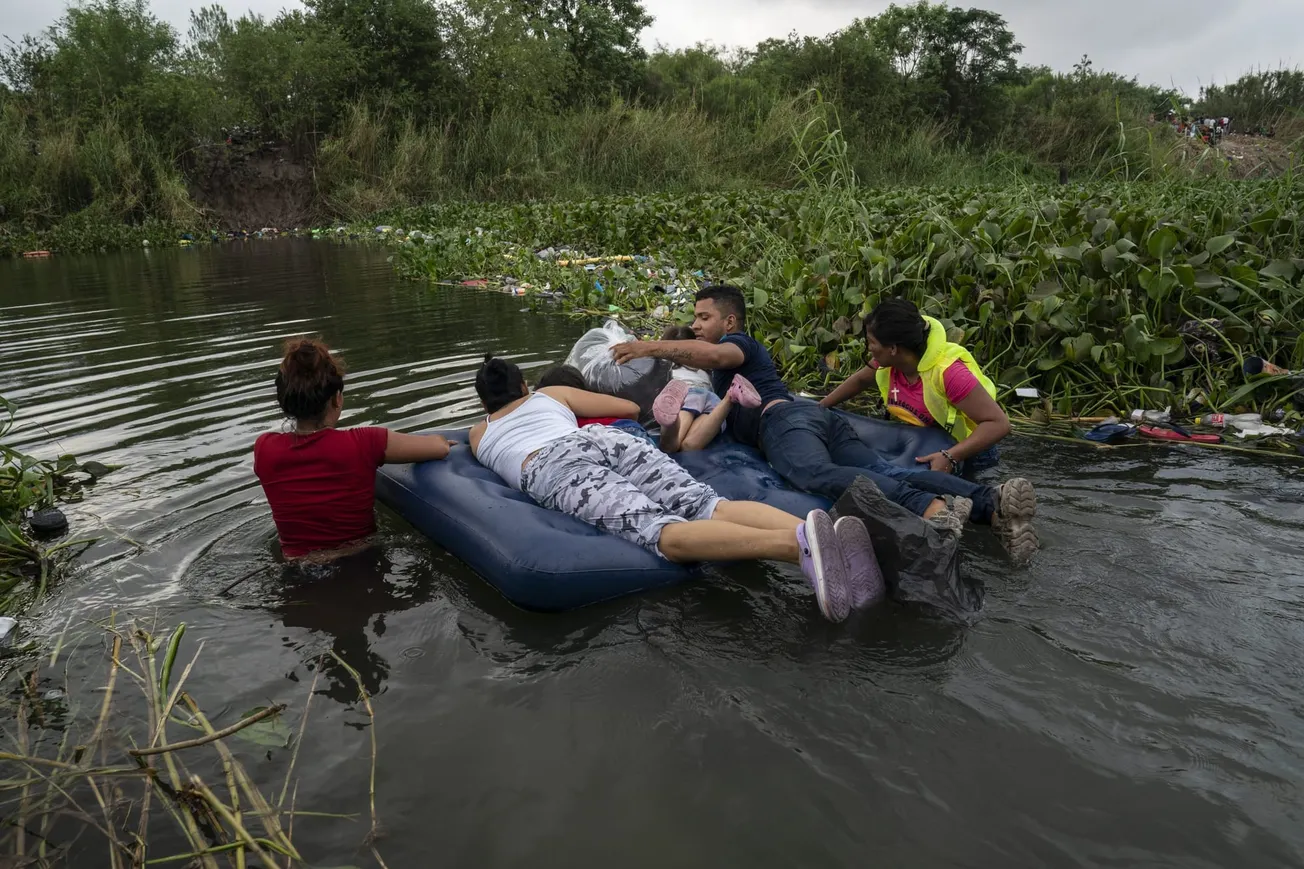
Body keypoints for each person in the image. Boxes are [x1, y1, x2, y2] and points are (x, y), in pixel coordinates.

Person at [610, 286, 1039, 563]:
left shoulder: (736, 346)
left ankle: (932, 509)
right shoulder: (719, 385)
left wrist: (651, 345)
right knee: (884, 472)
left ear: (730, 323)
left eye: (703, 318)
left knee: (815, 474)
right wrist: (822, 406)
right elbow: (689, 438)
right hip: (811, 414)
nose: (697, 326)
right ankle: (989, 502)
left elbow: (715, 358)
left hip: (783, 420)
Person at [469, 355, 880, 622]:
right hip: (602, 438)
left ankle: (797, 548)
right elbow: (628, 410)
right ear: (523, 386)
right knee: (706, 503)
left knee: (660, 531)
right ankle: (829, 540)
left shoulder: (477, 433)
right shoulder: (550, 394)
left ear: (483, 402)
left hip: (554, 466)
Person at [254, 337, 453, 561]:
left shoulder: (264, 449)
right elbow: (439, 447)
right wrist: (448, 440)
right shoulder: (364, 442)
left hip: (296, 570)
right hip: (359, 562)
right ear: (337, 400)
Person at [820, 298, 1008, 473]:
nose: (869, 348)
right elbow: (860, 380)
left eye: (872, 342)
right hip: (923, 439)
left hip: (968, 453)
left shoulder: (949, 374)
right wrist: (820, 407)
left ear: (893, 348)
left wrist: (951, 456)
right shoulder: (889, 362)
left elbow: (999, 424)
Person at [651, 324, 761, 453]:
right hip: (711, 399)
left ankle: (670, 423)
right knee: (689, 446)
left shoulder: (667, 366)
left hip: (685, 394)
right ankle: (730, 397)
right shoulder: (704, 368)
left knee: (670, 447)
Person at [534, 363, 656, 446]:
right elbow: (632, 410)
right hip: (626, 430)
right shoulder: (595, 403)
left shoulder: (550, 417)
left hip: (590, 442)